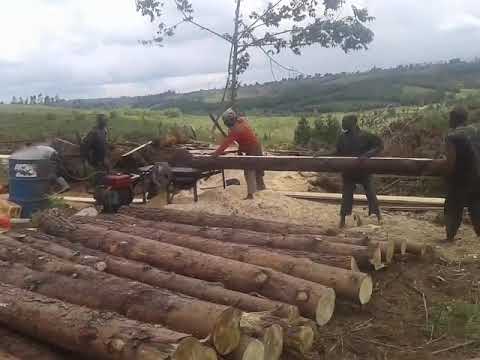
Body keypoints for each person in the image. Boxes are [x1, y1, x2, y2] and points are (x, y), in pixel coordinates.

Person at [336, 114, 384, 228]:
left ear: (353, 122)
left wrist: (368, 155)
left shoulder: (366, 136)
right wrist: (322, 154)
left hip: (364, 171)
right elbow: (337, 152)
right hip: (348, 172)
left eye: (345, 121)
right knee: (346, 195)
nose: (343, 124)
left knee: (371, 193)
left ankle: (377, 216)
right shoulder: (342, 137)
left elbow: (379, 145)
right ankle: (342, 219)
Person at [444, 106, 480, 241]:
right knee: (477, 208)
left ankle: (449, 236)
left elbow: (450, 162)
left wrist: (445, 175)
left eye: (450, 118)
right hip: (478, 177)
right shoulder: (476, 131)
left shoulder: (452, 137)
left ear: (453, 119)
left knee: (453, 208)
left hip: (461, 179)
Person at [212, 108, 266, 199]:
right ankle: (261, 190)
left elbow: (225, 144)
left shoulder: (236, 129)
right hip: (255, 145)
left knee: (249, 170)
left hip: (253, 148)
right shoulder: (241, 122)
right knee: (258, 169)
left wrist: (214, 155)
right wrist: (240, 149)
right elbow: (244, 139)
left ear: (228, 122)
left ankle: (251, 195)